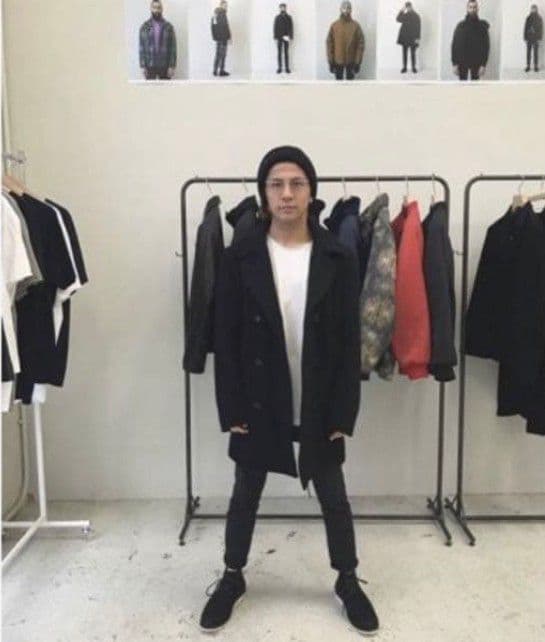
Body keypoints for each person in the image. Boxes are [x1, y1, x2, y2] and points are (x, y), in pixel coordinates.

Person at [199, 146, 379, 636]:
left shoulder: (338, 256)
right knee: (246, 492)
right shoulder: (240, 257)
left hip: (318, 397)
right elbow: (226, 338)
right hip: (259, 396)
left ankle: (347, 579)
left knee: (333, 494)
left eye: (296, 183)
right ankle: (232, 576)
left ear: (311, 192)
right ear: (264, 193)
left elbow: (348, 341)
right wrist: (231, 406)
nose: (286, 194)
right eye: (276, 184)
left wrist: (344, 410)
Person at [451, 0, 490, 81]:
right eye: (470, 7)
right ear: (467, 8)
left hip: (476, 61)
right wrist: (454, 63)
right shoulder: (461, 26)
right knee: (462, 86)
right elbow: (454, 45)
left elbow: (486, 46)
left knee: (475, 86)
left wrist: (483, 65)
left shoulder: (482, 27)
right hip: (462, 61)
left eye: (474, 7)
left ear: (477, 9)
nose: (472, 9)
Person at [326, 1, 365, 80]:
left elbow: (360, 45)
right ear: (340, 9)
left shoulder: (356, 26)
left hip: (351, 61)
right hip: (338, 60)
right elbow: (329, 44)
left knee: (350, 85)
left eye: (348, 8)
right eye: (344, 8)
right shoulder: (334, 26)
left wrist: (357, 62)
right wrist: (331, 61)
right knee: (338, 84)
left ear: (351, 10)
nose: (346, 10)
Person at [139, 0, 177, 80]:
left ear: (162, 9)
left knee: (166, 88)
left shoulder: (168, 27)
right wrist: (143, 66)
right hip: (150, 64)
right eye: (154, 7)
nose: (156, 10)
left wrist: (172, 66)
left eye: (159, 8)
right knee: (150, 88)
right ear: (151, 9)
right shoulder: (145, 27)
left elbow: (173, 48)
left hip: (165, 65)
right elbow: (141, 48)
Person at [396, 2, 421, 74]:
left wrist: (417, 38)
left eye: (409, 7)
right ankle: (404, 67)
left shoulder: (416, 16)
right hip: (405, 37)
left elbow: (418, 27)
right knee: (404, 53)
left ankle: (413, 67)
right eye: (406, 7)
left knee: (413, 53)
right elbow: (398, 19)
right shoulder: (405, 15)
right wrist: (402, 10)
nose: (408, 8)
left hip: (413, 37)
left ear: (411, 7)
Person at [211, 0, 232, 77]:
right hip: (223, 38)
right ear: (221, 5)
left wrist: (215, 37)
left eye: (226, 5)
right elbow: (225, 26)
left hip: (219, 38)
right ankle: (221, 71)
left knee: (218, 55)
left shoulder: (215, 14)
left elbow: (212, 26)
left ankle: (215, 70)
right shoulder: (222, 13)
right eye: (225, 5)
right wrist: (229, 37)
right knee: (222, 55)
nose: (226, 7)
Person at [274, 3, 294, 74]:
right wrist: (275, 37)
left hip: (286, 37)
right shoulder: (277, 17)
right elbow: (275, 27)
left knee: (286, 53)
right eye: (281, 7)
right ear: (280, 8)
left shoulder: (289, 17)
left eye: (284, 7)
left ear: (286, 8)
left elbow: (291, 27)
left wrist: (290, 36)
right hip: (279, 37)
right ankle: (279, 68)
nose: (282, 8)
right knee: (279, 53)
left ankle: (287, 68)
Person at [524, 4, 543, 72]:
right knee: (528, 53)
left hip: (536, 38)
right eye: (532, 9)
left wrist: (539, 38)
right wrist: (525, 37)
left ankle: (536, 66)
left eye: (534, 9)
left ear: (536, 9)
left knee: (535, 53)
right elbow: (525, 28)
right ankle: (528, 66)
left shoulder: (539, 18)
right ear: (531, 9)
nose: (533, 10)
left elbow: (541, 29)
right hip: (529, 37)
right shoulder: (528, 18)